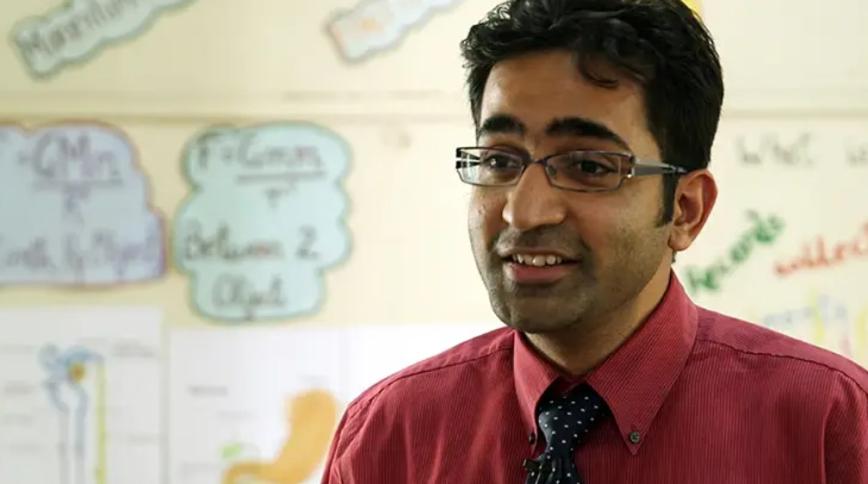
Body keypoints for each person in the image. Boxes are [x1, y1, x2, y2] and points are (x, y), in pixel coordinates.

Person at [321, 0, 868, 482]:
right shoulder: (390, 436)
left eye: (587, 166)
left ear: (685, 210)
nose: (522, 211)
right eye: (500, 161)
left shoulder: (830, 422)